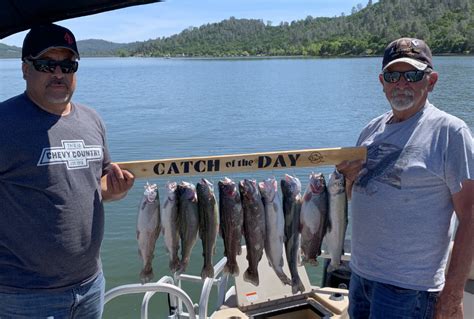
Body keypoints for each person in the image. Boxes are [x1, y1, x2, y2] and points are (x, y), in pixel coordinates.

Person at [0, 24, 135, 318]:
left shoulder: (92, 120)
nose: (58, 73)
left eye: (67, 64)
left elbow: (95, 184)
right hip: (23, 296)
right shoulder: (4, 123)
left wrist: (113, 190)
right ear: (25, 69)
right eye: (47, 64)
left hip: (90, 285)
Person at [337, 38, 473, 318]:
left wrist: (453, 293)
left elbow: (471, 216)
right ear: (382, 81)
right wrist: (349, 180)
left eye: (412, 75)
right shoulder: (370, 131)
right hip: (361, 278)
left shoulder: (450, 132)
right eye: (392, 76)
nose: (401, 83)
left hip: (410, 290)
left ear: (431, 81)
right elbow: (359, 195)